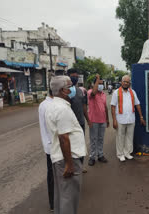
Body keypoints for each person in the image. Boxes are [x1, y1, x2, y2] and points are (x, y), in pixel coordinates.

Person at [45, 76, 87, 214]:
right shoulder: (62, 109)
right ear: (64, 90)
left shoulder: (54, 105)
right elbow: (64, 138)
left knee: (62, 197)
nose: (73, 88)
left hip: (62, 158)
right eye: (70, 86)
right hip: (68, 159)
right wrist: (69, 164)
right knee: (69, 198)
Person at [111, 75, 146, 162]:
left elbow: (137, 104)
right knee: (120, 137)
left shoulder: (132, 92)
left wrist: (141, 116)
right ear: (121, 82)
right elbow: (113, 106)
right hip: (120, 119)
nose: (126, 83)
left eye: (127, 82)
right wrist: (114, 120)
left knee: (129, 137)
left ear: (129, 83)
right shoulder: (116, 93)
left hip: (131, 119)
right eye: (124, 81)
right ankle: (120, 154)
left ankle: (127, 153)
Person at [67, 68, 91, 172]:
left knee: (81, 145)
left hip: (80, 123)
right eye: (73, 76)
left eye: (77, 76)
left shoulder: (80, 91)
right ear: (68, 76)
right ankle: (71, 166)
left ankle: (80, 166)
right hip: (69, 125)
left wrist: (88, 120)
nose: (75, 78)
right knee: (70, 146)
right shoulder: (64, 91)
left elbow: (84, 106)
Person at [87, 74, 109, 166]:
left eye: (101, 83)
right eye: (99, 83)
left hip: (102, 120)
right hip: (93, 120)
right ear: (94, 84)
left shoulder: (103, 94)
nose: (101, 85)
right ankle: (92, 157)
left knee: (100, 139)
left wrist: (107, 119)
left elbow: (105, 107)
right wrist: (97, 79)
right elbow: (93, 93)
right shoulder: (90, 92)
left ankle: (100, 155)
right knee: (93, 139)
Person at [38, 89, 54, 212]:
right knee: (53, 175)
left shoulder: (44, 104)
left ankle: (53, 203)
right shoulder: (50, 105)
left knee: (52, 174)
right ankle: (54, 202)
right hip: (54, 147)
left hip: (50, 146)